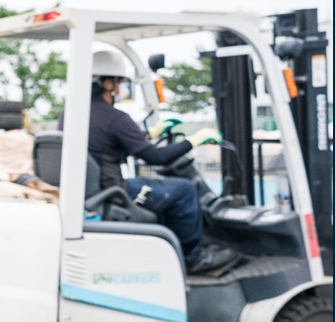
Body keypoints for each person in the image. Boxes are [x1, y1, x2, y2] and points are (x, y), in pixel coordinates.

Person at [60, 50, 240, 275]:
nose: (120, 87)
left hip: (90, 190)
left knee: (163, 191)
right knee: (183, 190)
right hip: (113, 190)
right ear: (107, 83)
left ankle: (168, 251)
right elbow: (157, 157)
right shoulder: (116, 118)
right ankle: (193, 258)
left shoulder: (71, 114)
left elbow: (104, 144)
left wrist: (148, 133)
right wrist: (194, 141)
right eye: (119, 82)